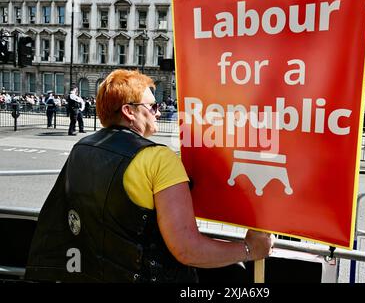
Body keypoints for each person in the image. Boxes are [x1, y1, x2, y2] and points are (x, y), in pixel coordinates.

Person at [25, 69, 273, 283]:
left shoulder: (82, 147)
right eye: (152, 106)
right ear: (129, 111)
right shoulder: (158, 159)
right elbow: (187, 250)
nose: (157, 111)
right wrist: (250, 249)